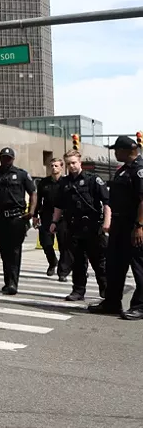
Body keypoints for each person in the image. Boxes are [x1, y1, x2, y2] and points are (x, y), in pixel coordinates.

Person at [90, 136, 143, 319]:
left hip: (133, 225)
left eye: (117, 150)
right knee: (114, 265)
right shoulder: (123, 171)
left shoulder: (139, 171)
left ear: (128, 151)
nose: (115, 153)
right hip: (119, 225)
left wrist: (139, 226)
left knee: (139, 267)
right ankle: (112, 303)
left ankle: (140, 306)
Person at [50, 150, 109, 303]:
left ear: (80, 162)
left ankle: (105, 289)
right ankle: (78, 291)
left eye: (74, 163)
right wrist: (54, 222)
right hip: (74, 228)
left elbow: (107, 202)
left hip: (92, 227)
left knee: (98, 261)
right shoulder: (64, 183)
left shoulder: (93, 179)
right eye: (69, 163)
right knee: (78, 261)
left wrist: (106, 223)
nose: (72, 166)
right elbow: (59, 205)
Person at [0, 147, 36, 294]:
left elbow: (33, 193)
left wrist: (31, 212)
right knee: (4, 251)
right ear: (0, 158)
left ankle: (13, 283)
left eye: (8, 158)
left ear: (13, 159)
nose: (6, 160)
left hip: (16, 217)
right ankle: (8, 282)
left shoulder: (21, 175)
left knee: (14, 251)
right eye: (4, 157)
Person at [32, 158, 71, 281]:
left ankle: (62, 271)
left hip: (63, 217)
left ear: (61, 167)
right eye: (52, 166)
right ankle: (52, 261)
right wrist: (35, 215)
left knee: (64, 245)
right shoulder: (44, 183)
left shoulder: (66, 182)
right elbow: (38, 200)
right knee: (46, 242)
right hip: (47, 216)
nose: (54, 168)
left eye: (56, 166)